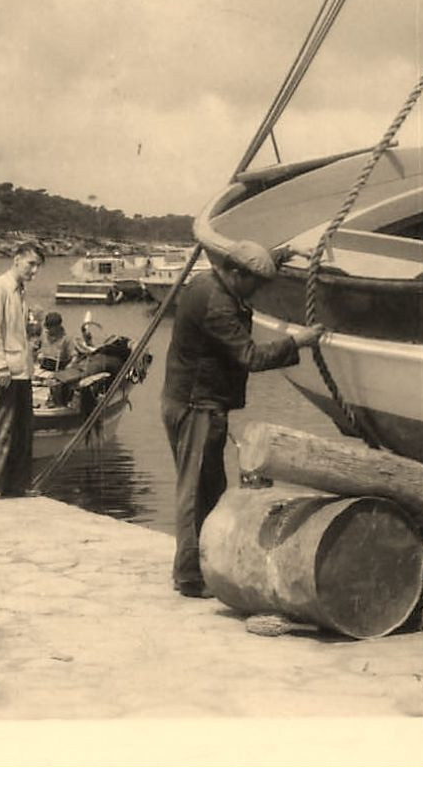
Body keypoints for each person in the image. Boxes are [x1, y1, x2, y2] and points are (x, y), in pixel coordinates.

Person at [159, 240, 323, 598]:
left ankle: (204, 566)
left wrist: (282, 253)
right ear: (236, 273)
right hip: (196, 407)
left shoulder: (208, 281)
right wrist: (298, 342)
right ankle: (188, 576)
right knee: (195, 493)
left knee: (210, 488)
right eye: (255, 284)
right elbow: (250, 356)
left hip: (191, 402)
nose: (260, 291)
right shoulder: (218, 306)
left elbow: (250, 264)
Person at [0, 242, 45, 502]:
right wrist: (1, 366)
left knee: (21, 429)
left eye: (38, 267)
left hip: (21, 371)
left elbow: (18, 333)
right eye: (31, 264)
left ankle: (14, 484)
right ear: (16, 260)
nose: (34, 271)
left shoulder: (20, 291)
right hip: (2, 372)